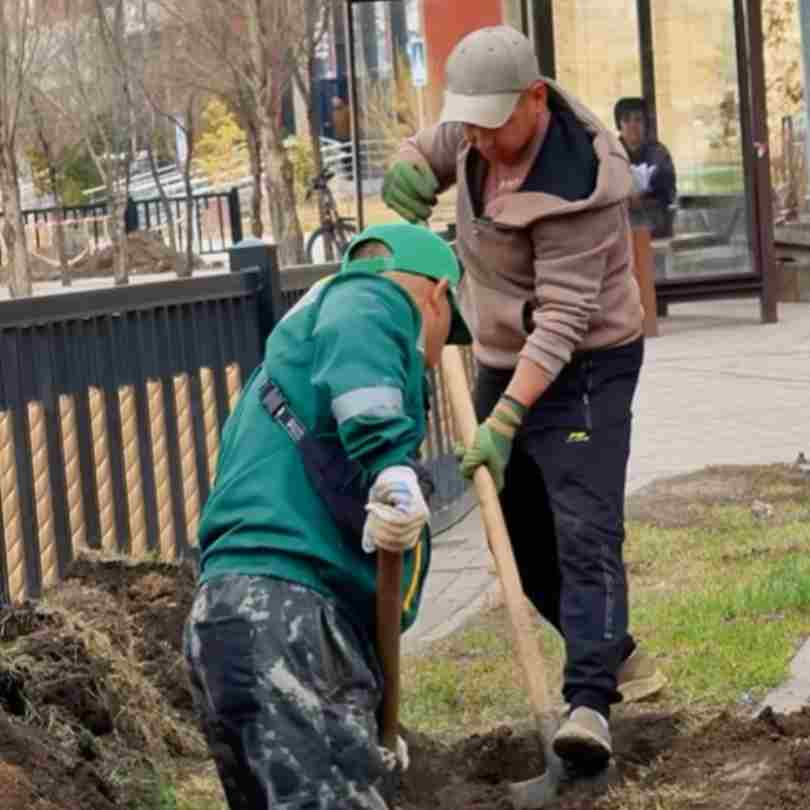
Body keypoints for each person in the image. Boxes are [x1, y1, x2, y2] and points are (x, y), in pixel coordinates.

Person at [382, 25, 666, 770]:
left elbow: (565, 320)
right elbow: (435, 144)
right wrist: (410, 167)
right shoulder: (481, 125)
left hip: (588, 361)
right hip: (505, 353)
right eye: (469, 122)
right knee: (515, 522)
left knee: (584, 525)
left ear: (534, 100)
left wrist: (505, 420)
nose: (478, 136)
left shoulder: (582, 181)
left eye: (493, 122)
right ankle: (613, 649)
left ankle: (589, 707)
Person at [183, 222, 469, 809]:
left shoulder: (289, 369)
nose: (438, 356)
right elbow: (362, 341)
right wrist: (391, 462)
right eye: (446, 332)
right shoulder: (367, 299)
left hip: (227, 618)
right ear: (436, 296)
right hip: (285, 618)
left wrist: (363, 726)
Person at [615, 96, 677, 239]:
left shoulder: (659, 154)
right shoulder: (611, 153)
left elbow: (669, 193)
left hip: (654, 225)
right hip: (620, 227)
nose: (632, 125)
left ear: (645, 124)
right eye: (626, 120)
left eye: (638, 119)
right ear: (619, 124)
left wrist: (643, 199)